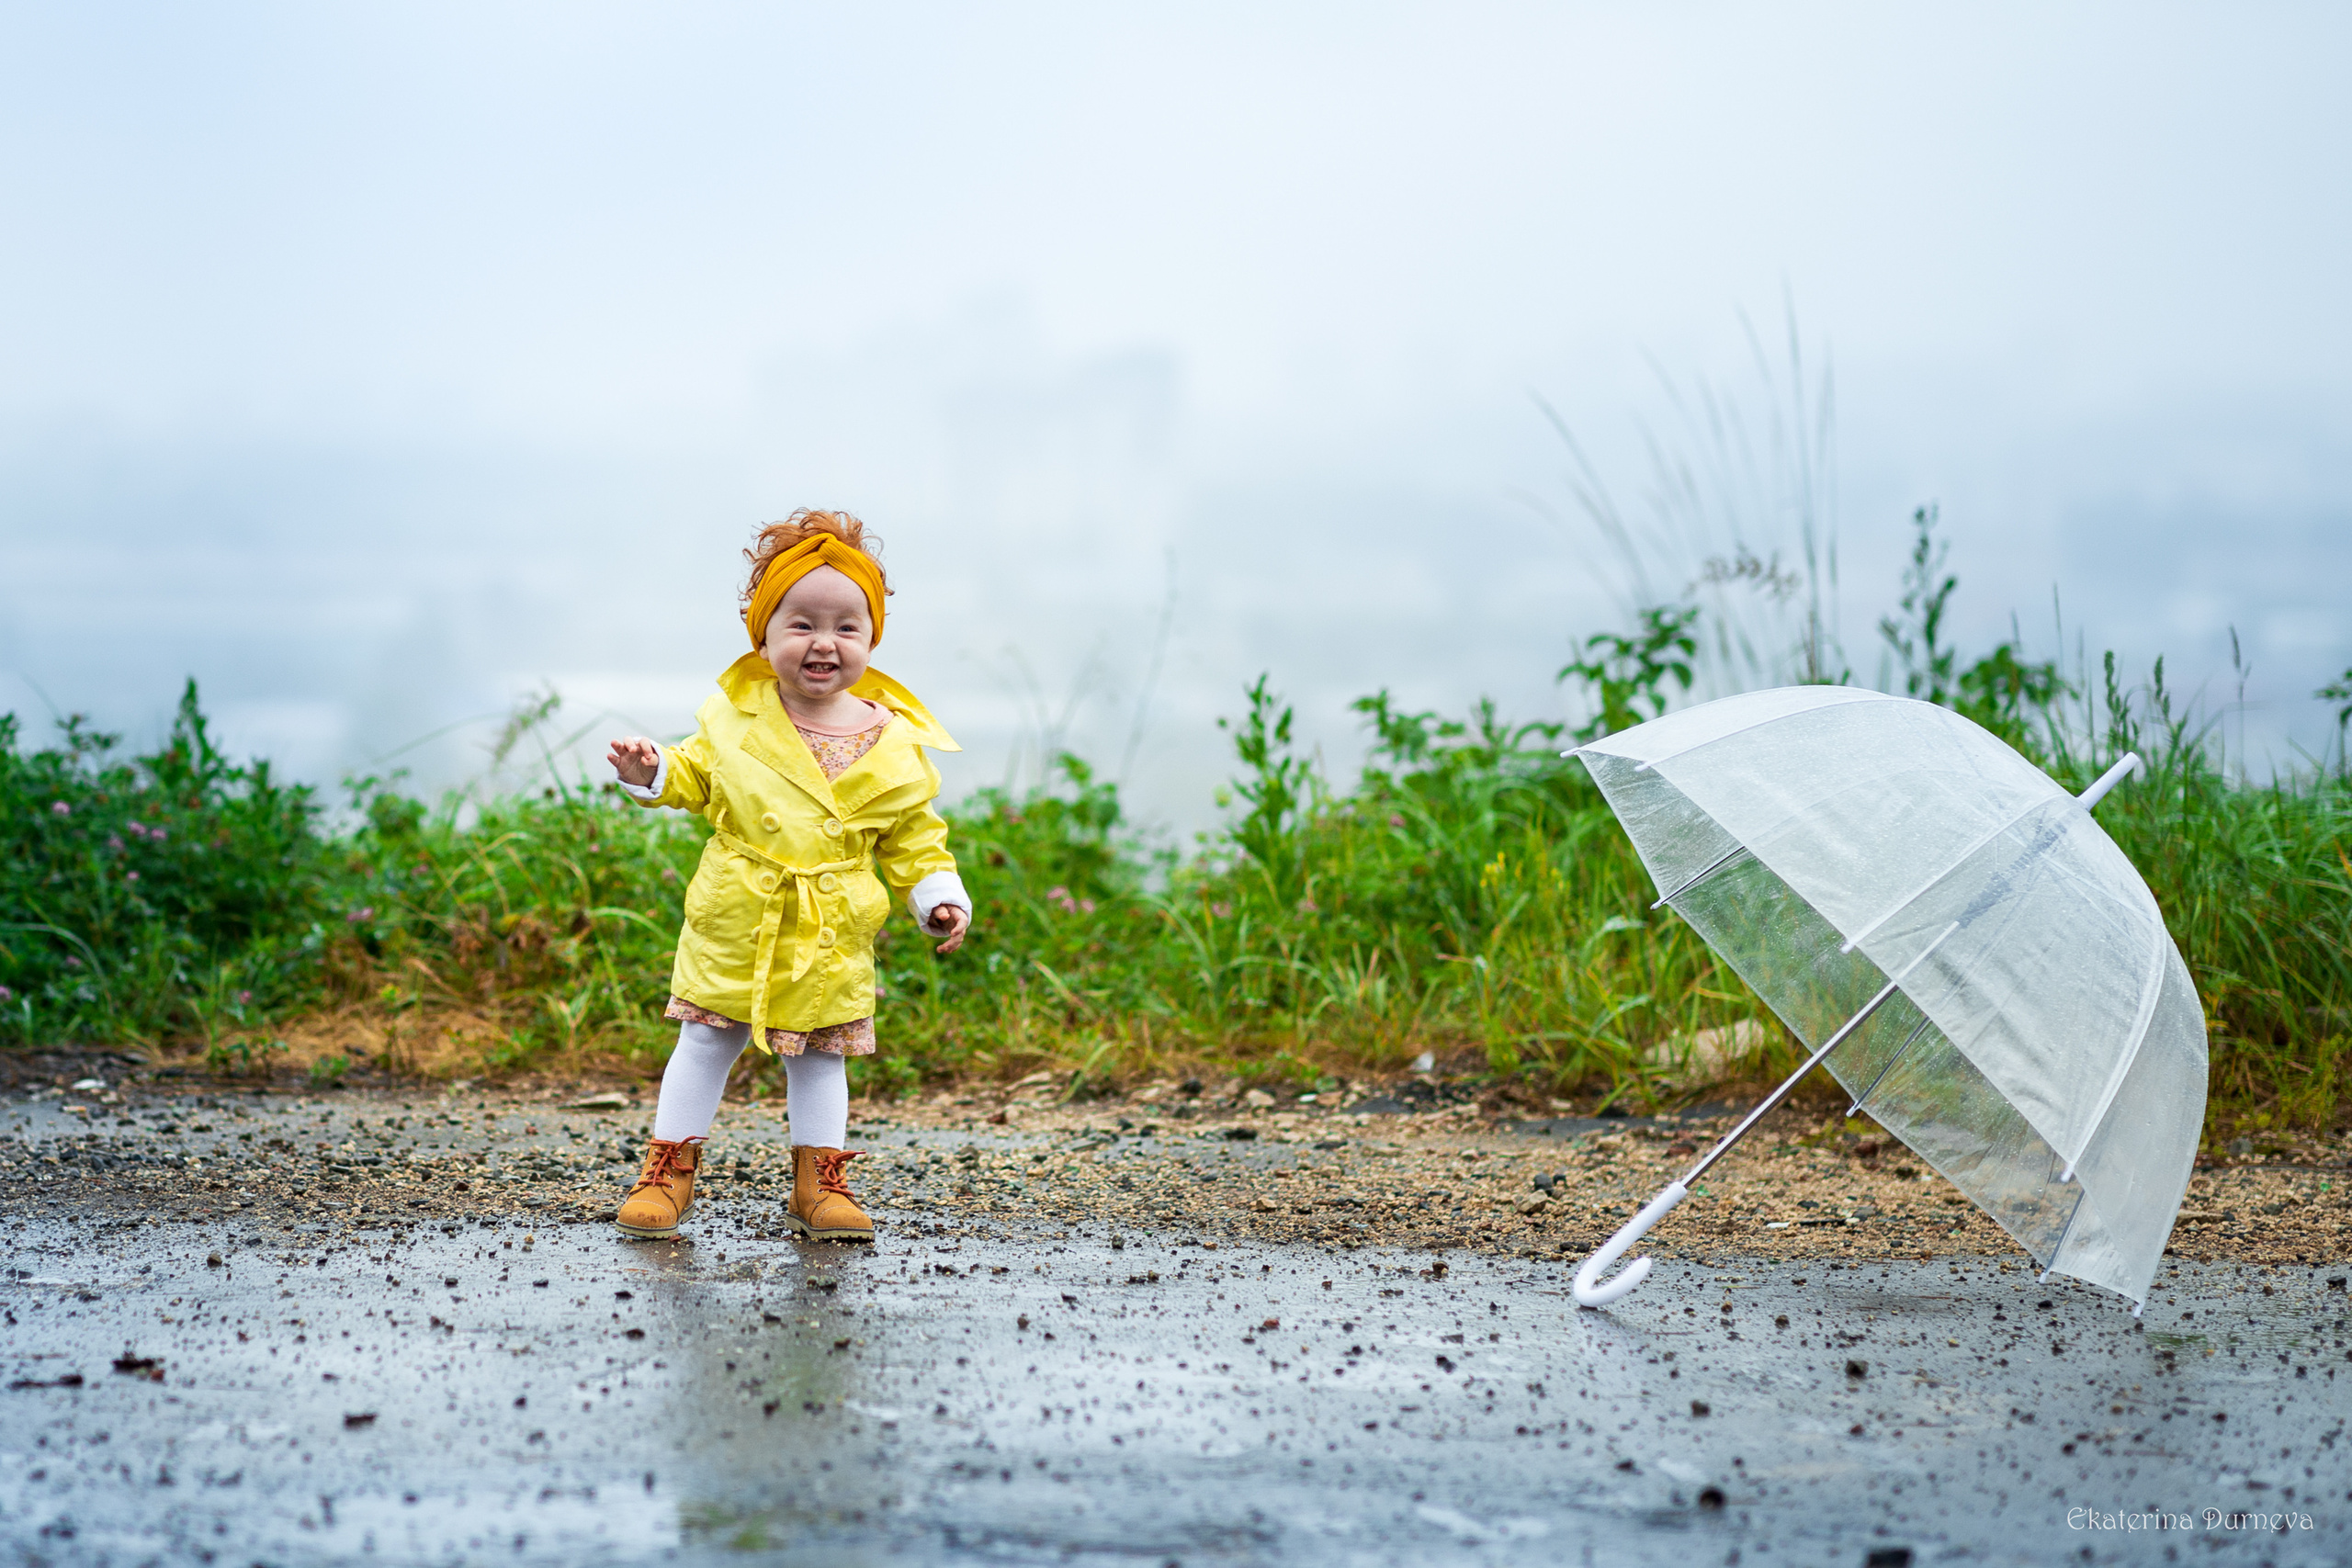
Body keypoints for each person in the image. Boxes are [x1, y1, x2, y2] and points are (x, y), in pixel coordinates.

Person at [603, 510, 970, 1243]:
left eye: (846, 627)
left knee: (822, 1057)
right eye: (800, 624)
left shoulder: (893, 743)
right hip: (740, 913)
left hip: (830, 925)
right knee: (705, 1041)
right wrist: (653, 772)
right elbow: (700, 775)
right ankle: (667, 1170)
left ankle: (820, 1180)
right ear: (764, 636)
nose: (823, 643)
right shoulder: (736, 715)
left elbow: (914, 838)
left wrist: (936, 895)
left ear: (871, 638)